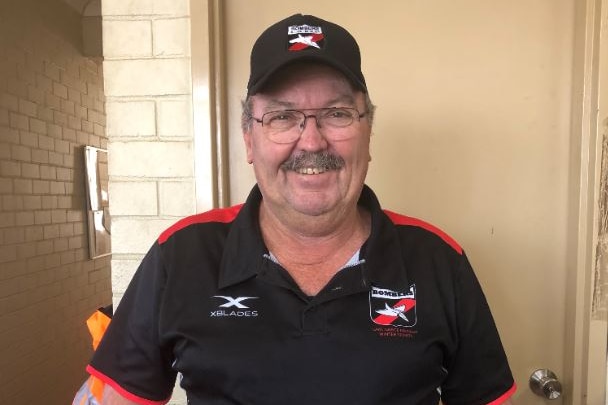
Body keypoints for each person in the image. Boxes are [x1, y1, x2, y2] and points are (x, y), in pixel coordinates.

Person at [85, 14, 516, 405]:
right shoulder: (181, 254)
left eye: (337, 113)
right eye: (282, 117)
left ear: (368, 132)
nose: (311, 142)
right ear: (249, 139)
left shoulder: (438, 259)